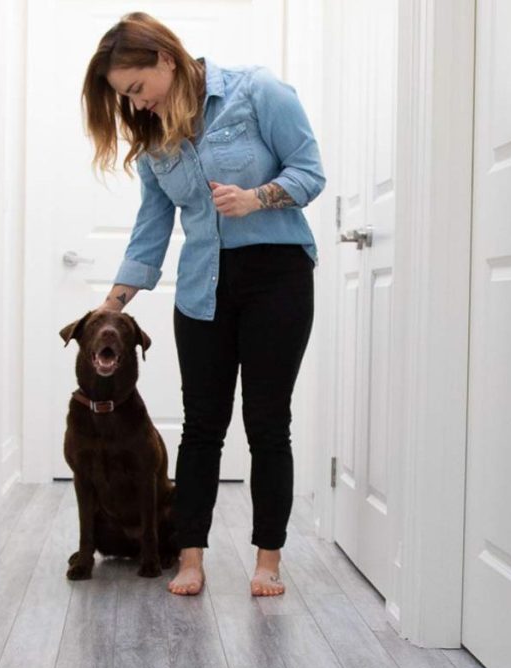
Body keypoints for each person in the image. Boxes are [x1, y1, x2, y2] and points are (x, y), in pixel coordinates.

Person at [81, 12, 325, 597]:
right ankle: (190, 555)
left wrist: (258, 197)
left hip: (277, 278)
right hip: (201, 292)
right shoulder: (155, 142)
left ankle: (268, 559)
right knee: (201, 427)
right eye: (124, 97)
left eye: (136, 89)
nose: (135, 106)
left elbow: (310, 173)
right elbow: (151, 229)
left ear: (165, 58)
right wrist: (108, 306)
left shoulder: (257, 91)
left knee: (268, 423)